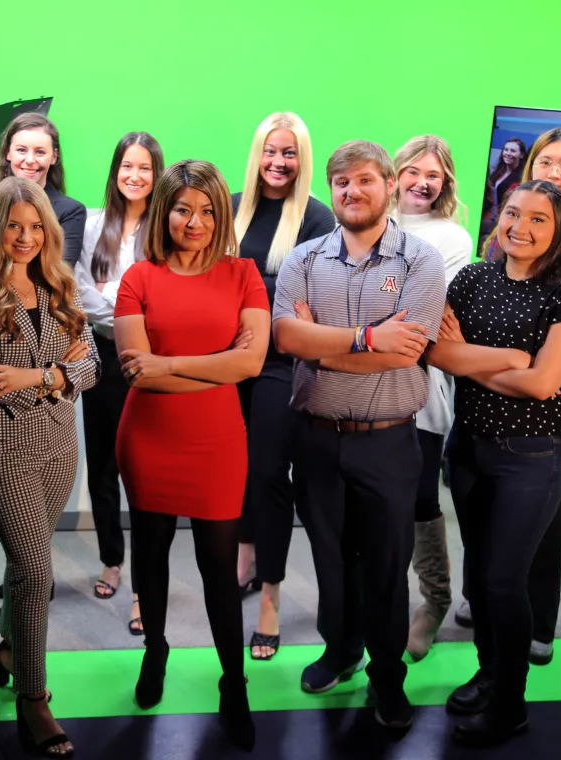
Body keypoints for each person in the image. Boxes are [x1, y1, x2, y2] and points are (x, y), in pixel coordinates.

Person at [272, 140, 446, 730]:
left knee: (385, 563)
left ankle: (386, 676)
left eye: (365, 180)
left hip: (389, 438)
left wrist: (324, 346)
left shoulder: (419, 261)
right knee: (330, 557)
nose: (352, 192)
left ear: (389, 184)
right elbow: (288, 340)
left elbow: (409, 353)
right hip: (316, 436)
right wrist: (368, 340)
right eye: (341, 182)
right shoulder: (304, 259)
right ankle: (340, 651)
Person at [431, 179, 561, 747]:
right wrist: (509, 357)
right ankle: (489, 672)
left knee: (506, 581)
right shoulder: (473, 277)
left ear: (557, 231)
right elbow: (436, 351)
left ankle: (510, 705)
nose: (520, 227)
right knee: (480, 576)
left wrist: (474, 363)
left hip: (530, 456)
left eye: (538, 219)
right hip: (469, 446)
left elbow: (543, 383)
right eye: (512, 213)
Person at [114, 160, 269, 751]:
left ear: (221, 215)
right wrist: (214, 365)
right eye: (183, 208)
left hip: (218, 441)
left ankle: (235, 683)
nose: (194, 220)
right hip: (149, 438)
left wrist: (170, 364)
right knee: (149, 557)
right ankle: (155, 650)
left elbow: (251, 364)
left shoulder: (244, 273)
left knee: (216, 568)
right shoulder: (141, 277)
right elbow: (137, 372)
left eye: (207, 210)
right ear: (165, 211)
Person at [0, 177, 100, 759]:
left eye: (36, 227)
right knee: (36, 569)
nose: (25, 236)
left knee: (26, 566)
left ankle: (12, 649)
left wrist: (42, 377)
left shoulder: (61, 288)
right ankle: (34, 698)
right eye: (14, 225)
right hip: (2, 442)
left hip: (60, 443)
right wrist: (55, 374)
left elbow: (89, 368)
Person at [472, 127, 561, 665]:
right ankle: (484, 600)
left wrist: (522, 365)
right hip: (494, 393)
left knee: (542, 513)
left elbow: (557, 360)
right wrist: (505, 361)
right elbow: (471, 333)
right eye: (545, 161)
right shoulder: (503, 230)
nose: (554, 171)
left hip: (550, 401)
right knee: (488, 517)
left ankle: (537, 621)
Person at [230, 112, 336, 661]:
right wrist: (263, 290)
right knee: (235, 470)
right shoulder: (228, 206)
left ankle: (270, 597)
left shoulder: (317, 218)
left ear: (302, 158)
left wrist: (248, 290)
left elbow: (302, 300)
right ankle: (245, 561)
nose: (278, 162)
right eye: (270, 151)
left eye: (289, 153)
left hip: (278, 362)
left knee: (270, 472)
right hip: (226, 360)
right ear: (257, 153)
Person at [74, 131, 165, 635]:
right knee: (103, 467)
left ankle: (143, 587)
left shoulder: (165, 229)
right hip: (104, 358)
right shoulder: (92, 225)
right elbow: (81, 292)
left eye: (144, 168)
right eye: (127, 166)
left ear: (157, 174)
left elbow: (167, 297)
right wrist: (131, 306)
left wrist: (121, 301)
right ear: (115, 171)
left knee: (146, 472)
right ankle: (112, 558)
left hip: (152, 361)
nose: (134, 176)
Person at [387, 135, 472, 661]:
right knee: (372, 503)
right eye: (413, 171)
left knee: (419, 496)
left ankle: (435, 599)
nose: (422, 182)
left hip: (421, 385)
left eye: (434, 175)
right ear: (394, 174)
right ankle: (380, 601)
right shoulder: (364, 218)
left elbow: (425, 312)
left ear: (446, 183)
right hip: (358, 383)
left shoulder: (453, 236)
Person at [0, 113, 86, 266]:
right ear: (8, 153)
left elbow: (60, 270)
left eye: (40, 152)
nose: (30, 160)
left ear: (54, 156)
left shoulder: (71, 211)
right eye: (21, 150)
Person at [480, 138, 526, 243]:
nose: (508, 153)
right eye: (506, 150)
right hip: (489, 216)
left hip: (501, 221)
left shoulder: (521, 178)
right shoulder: (498, 171)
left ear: (521, 155)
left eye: (513, 151)